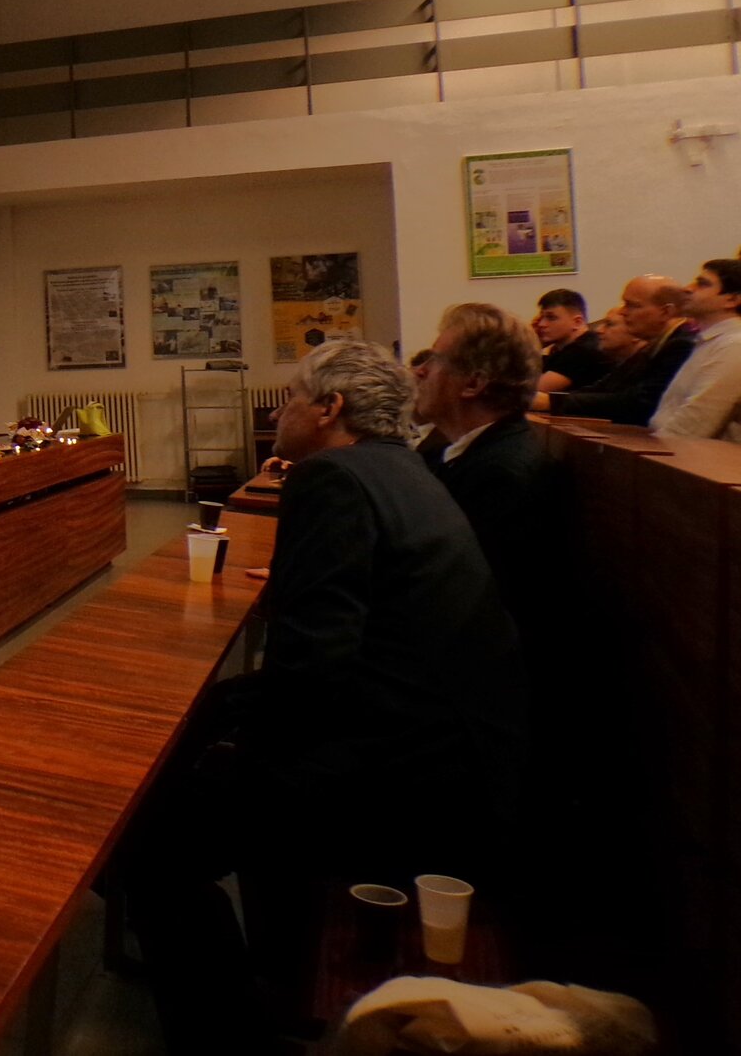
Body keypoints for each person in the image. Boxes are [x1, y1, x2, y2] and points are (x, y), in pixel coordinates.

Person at [119, 342, 526, 1055]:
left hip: (396, 766)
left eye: (292, 398)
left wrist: (232, 750)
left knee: (146, 843)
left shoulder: (331, 477)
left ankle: (229, 1035)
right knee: (209, 749)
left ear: (330, 408)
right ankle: (270, 969)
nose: (280, 413)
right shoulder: (406, 468)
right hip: (456, 747)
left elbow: (311, 669)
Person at [414, 304, 552, 623]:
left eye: (434, 360)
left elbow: (459, 596)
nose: (420, 371)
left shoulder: (502, 474)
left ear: (473, 384)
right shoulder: (458, 452)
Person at [535, 276, 693, 424]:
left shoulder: (681, 344)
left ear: (666, 312)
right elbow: (603, 388)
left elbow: (640, 403)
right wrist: (554, 400)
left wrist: (550, 402)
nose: (623, 312)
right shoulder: (654, 345)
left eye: (632, 305)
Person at [650, 259, 741, 442]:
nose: (688, 289)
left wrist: (653, 451)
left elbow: (696, 423)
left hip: (691, 455)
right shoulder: (710, 341)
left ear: (732, 300)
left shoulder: (734, 345)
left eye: (702, 284)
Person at [532, 288, 609, 391]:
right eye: (541, 318)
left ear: (577, 322)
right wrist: (536, 343)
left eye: (551, 318)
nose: (541, 324)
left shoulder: (582, 351)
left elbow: (530, 392)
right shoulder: (561, 349)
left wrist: (529, 341)